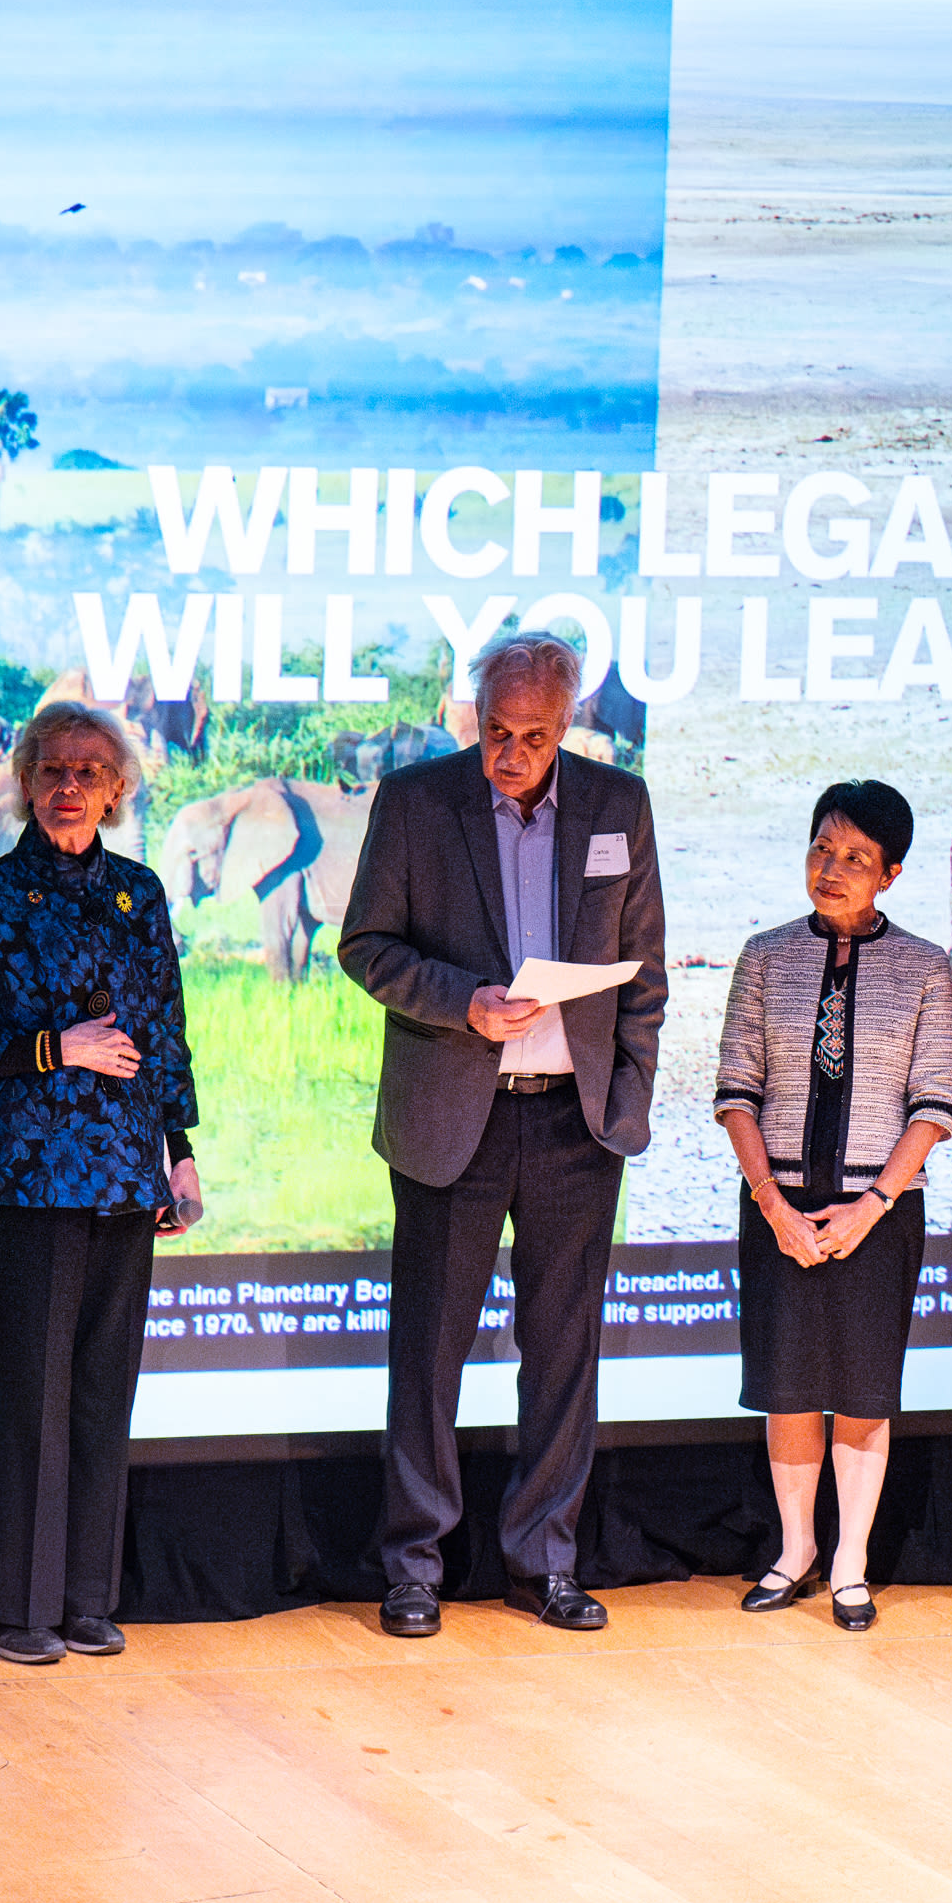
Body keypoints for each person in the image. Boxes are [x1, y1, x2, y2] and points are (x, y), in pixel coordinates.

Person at [339, 629, 667, 1637]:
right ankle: (412, 1568)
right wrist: (460, 1001)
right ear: (472, 715)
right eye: (495, 731)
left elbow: (644, 975)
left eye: (532, 735)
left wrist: (626, 1099)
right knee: (428, 1352)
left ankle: (547, 1560)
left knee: (563, 1353)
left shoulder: (617, 805)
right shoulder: (415, 802)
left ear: (566, 725)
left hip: (574, 1126)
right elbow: (364, 947)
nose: (510, 754)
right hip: (454, 1122)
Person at [0, 702, 200, 1667]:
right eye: (53, 768)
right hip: (31, 1175)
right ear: (27, 782)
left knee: (103, 1391)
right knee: (36, 1393)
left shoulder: (140, 893)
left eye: (90, 770)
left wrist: (181, 1150)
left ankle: (86, 1598)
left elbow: (164, 1030)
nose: (70, 786)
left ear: (118, 788)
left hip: (127, 1173)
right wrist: (57, 1048)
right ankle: (16, 1608)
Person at [715, 782, 952, 1632]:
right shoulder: (764, 955)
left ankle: (851, 1558)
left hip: (879, 1213)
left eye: (856, 857)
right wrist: (774, 1205)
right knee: (789, 1389)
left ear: (890, 874)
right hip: (778, 1203)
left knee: (862, 1391)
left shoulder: (925, 965)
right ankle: (795, 1550)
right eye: (823, 848)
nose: (833, 868)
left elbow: (934, 1106)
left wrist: (871, 1205)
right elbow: (735, 1094)